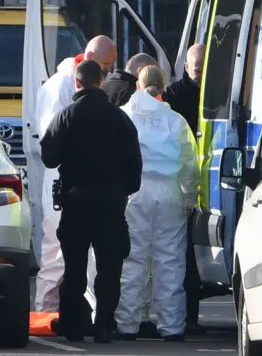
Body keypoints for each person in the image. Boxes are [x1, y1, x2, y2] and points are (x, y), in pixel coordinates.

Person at [39, 60, 142, 343]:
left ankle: (73, 325)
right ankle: (104, 325)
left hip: (75, 202)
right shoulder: (120, 119)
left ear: (77, 82)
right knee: (109, 267)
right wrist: (123, 189)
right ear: (101, 80)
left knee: (74, 267)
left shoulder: (66, 116)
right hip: (111, 203)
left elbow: (49, 157)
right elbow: (135, 166)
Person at [34, 35, 118, 317]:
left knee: (72, 251)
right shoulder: (61, 86)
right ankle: (48, 311)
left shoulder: (68, 85)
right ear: (91, 57)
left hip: (72, 179)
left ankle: (71, 313)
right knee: (58, 250)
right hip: (63, 178)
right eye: (106, 65)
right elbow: (54, 138)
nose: (108, 72)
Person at [116, 65, 200, 342]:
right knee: (170, 261)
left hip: (133, 192)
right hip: (169, 191)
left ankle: (127, 324)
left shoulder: (124, 116)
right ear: (163, 88)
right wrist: (189, 197)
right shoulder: (175, 120)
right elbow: (190, 162)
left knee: (133, 259)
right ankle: (172, 325)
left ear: (138, 86)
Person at [162, 43, 205, 334]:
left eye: (204, 68)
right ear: (187, 67)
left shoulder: (218, 92)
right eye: (196, 68)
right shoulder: (175, 96)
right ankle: (186, 319)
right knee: (181, 253)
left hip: (211, 172)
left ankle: (186, 317)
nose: (200, 74)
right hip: (180, 179)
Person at [162, 43, 205, 136]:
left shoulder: (220, 94)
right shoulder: (173, 94)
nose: (202, 75)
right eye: (197, 71)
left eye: (205, 70)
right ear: (187, 67)